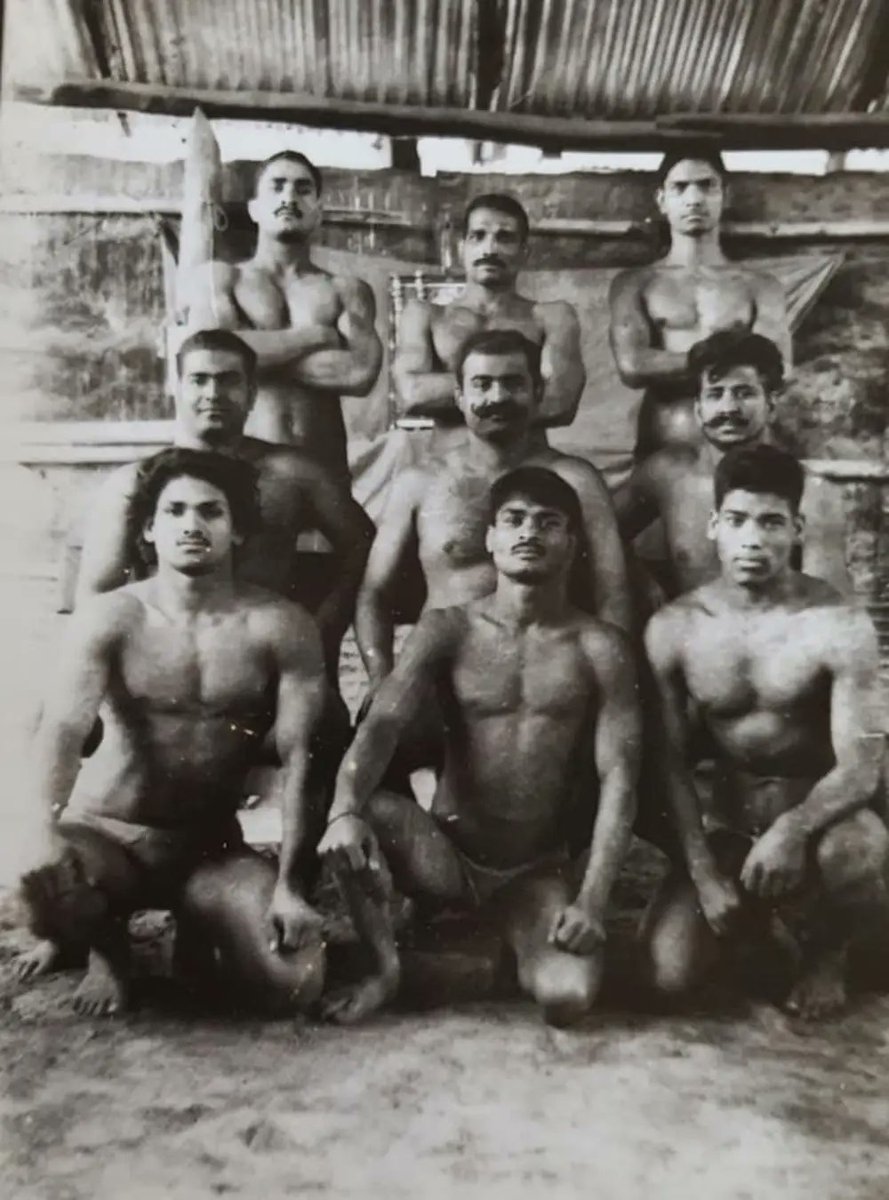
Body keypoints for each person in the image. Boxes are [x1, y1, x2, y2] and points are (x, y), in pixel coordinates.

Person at [316, 467, 641, 1025]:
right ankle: (386, 969)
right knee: (359, 811)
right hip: (446, 856)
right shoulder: (448, 628)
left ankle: (483, 958)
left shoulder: (600, 646)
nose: (528, 533)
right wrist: (344, 809)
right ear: (489, 537)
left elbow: (621, 778)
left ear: (573, 542)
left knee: (567, 996)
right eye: (513, 520)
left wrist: (591, 900)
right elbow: (382, 727)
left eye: (549, 523)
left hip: (535, 869)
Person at [16, 449, 329, 1016]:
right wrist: (42, 830)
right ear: (150, 530)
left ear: (237, 532)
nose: (192, 524)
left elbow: (302, 758)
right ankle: (108, 953)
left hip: (207, 849)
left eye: (211, 511)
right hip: (107, 834)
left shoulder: (281, 626)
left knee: (296, 981)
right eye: (176, 511)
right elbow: (62, 730)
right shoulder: (112, 617)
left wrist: (290, 885)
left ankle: (199, 923)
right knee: (30, 877)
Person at [643, 444, 888, 1020]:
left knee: (860, 851)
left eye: (771, 522)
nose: (752, 539)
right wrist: (703, 872)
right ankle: (758, 924)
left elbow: (860, 767)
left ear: (797, 529)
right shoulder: (676, 628)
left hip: (819, 820)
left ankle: (828, 954)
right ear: (713, 527)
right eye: (737, 521)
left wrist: (793, 829)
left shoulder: (837, 624)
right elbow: (667, 764)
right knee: (667, 975)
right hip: (729, 826)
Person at [77, 329, 373, 683]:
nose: (213, 394)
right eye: (199, 380)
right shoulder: (132, 482)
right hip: (166, 664)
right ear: (177, 388)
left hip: (269, 660)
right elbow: (96, 593)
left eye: (228, 381)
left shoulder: (295, 474)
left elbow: (365, 545)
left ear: (251, 394)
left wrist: (328, 623)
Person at [358, 329, 631, 707]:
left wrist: (609, 681)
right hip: (443, 669)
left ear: (538, 393)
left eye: (513, 384)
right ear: (460, 397)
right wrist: (380, 677)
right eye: (482, 384)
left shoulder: (576, 479)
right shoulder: (419, 483)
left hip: (548, 673)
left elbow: (613, 590)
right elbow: (375, 592)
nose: (497, 397)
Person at [182, 150, 382, 476]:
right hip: (242, 469)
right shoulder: (220, 278)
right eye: (277, 186)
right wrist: (317, 336)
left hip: (324, 467)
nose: (289, 197)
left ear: (318, 212)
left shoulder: (346, 289)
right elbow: (215, 359)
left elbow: (359, 374)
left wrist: (250, 354)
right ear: (254, 209)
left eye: (303, 189)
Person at [615, 331, 850, 598]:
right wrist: (639, 578)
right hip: (691, 634)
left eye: (744, 393)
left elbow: (830, 608)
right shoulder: (668, 475)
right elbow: (594, 533)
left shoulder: (813, 493)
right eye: (715, 394)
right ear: (698, 408)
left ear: (771, 404)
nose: (728, 408)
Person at [609, 149, 790, 459]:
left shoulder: (760, 285)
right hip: (667, 443)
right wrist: (714, 355)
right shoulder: (636, 282)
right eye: (680, 187)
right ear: (662, 200)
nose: (694, 199)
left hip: (744, 447)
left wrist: (680, 363)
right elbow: (632, 365)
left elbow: (779, 367)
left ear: (725, 195)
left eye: (707, 186)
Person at [393, 193, 585, 451]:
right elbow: (412, 393)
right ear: (462, 248)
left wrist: (464, 388)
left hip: (526, 471)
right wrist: (518, 386)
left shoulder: (552, 317)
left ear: (524, 252)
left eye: (504, 238)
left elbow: (560, 402)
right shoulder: (426, 315)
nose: (490, 248)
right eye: (478, 236)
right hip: (451, 472)